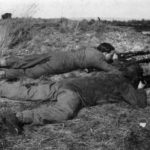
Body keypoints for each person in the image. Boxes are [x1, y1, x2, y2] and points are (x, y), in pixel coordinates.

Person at [0, 72, 147, 127]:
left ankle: (2, 87)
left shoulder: (113, 74)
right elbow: (140, 103)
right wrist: (140, 89)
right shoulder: (125, 85)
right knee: (64, 112)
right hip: (74, 93)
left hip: (66, 83)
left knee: (31, 92)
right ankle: (18, 118)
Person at [0, 43, 121, 80]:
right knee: (29, 73)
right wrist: (115, 61)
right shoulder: (98, 59)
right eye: (112, 54)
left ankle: (3, 62)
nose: (112, 56)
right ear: (106, 52)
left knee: (24, 61)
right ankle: (3, 74)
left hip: (56, 54)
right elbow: (113, 70)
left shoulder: (91, 49)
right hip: (60, 64)